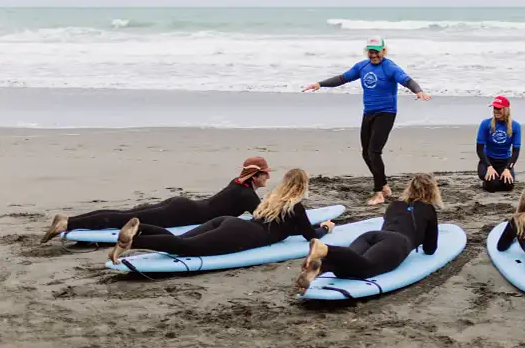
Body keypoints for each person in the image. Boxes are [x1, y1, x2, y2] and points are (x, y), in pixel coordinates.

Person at [108, 168, 335, 264]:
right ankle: (133, 241)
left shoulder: (271, 199)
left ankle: (142, 228)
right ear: (302, 186)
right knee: (187, 248)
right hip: (240, 235)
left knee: (181, 240)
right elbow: (309, 236)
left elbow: (285, 227)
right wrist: (325, 228)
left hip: (229, 222)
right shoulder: (295, 207)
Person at [303, 37, 431, 205]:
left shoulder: (390, 67)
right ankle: (384, 185)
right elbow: (343, 78)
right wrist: (319, 84)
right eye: (370, 51)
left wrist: (418, 91)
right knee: (366, 153)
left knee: (374, 152)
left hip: (386, 113)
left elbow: (406, 80)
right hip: (368, 112)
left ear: (383, 51)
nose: (373, 55)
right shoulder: (362, 66)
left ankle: (379, 193)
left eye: (376, 51)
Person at [39, 157, 272, 243]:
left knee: (124, 214)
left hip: (183, 204)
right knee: (122, 218)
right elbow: (263, 219)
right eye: (265, 174)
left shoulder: (237, 183)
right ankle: (67, 224)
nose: (268, 178)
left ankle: (69, 220)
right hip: (182, 214)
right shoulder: (246, 195)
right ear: (256, 175)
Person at [293, 173, 441, 293]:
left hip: (372, 236)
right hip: (398, 242)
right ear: (432, 191)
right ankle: (325, 249)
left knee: (347, 266)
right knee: (366, 269)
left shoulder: (395, 205)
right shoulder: (428, 209)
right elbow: (430, 249)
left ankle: (320, 267)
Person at [477, 95, 521, 192]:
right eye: (494, 108)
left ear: (506, 109)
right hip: (488, 160)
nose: (496, 110)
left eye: (499, 108)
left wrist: (508, 169)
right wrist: (489, 167)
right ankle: (486, 181)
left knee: (508, 186)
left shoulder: (516, 126)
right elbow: (479, 149)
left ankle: (501, 174)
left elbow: (516, 152)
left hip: (504, 161)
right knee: (492, 186)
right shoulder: (485, 124)